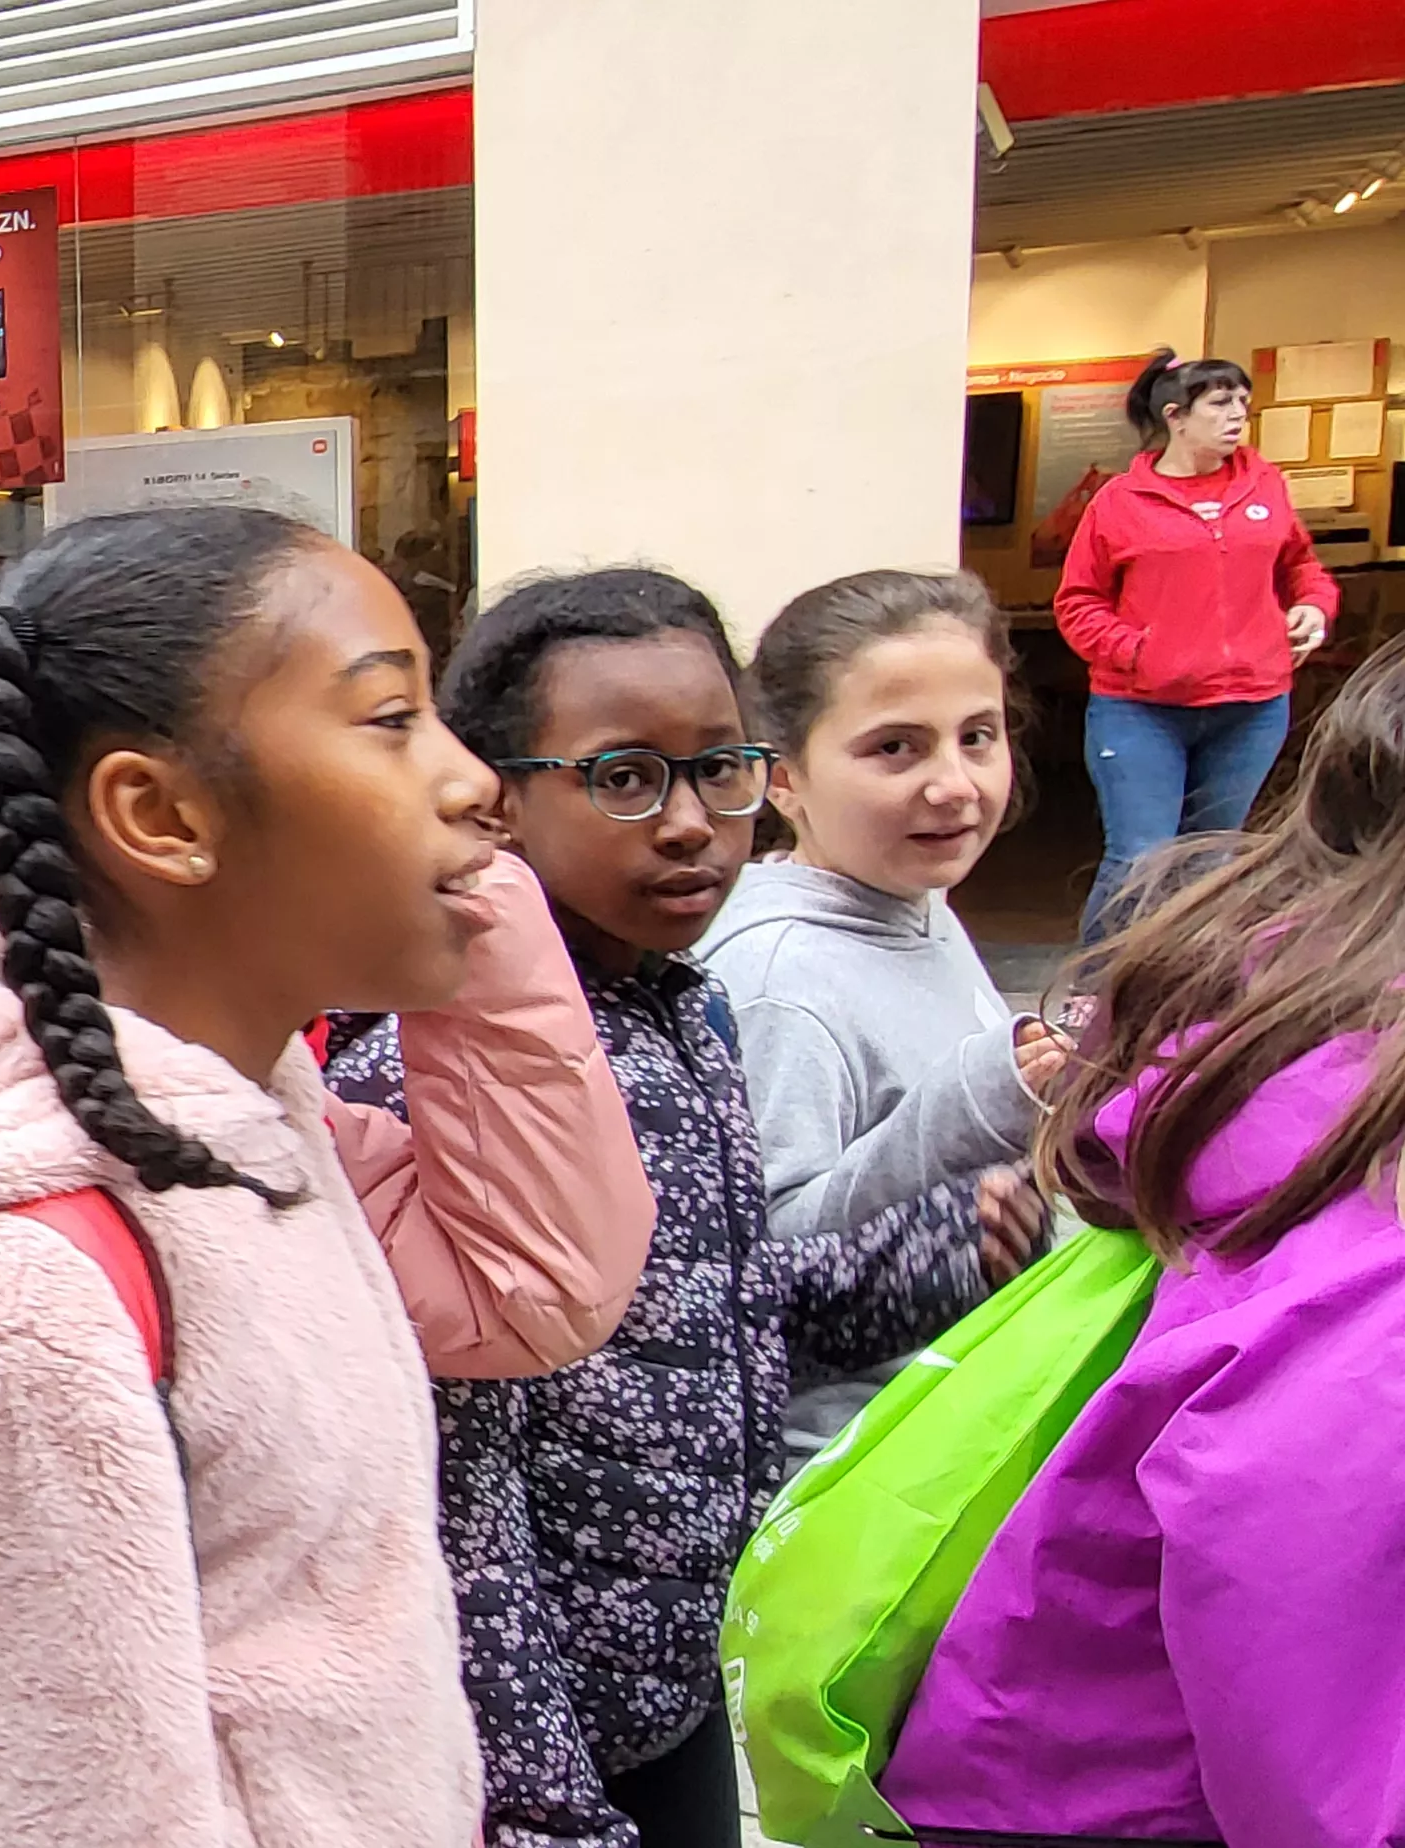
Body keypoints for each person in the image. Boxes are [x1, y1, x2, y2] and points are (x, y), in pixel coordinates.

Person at [0, 506, 658, 1847]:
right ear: (160, 816)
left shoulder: (251, 1127)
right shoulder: (23, 1311)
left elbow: (534, 1271)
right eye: (391, 721)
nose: (473, 783)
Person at [327, 568, 1005, 1848]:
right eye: (624, 778)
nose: (690, 824)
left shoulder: (681, 1013)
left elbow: (712, 1318)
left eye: (718, 770)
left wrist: (950, 1247)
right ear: (497, 798)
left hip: (675, 1682)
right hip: (532, 1747)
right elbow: (443, 1488)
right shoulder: (443, 1071)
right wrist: (541, 1807)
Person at [880, 643, 1405, 1846]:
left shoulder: (1257, 1013)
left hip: (1059, 1750)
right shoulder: (1371, 1187)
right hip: (1166, 1791)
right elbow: (1283, 1544)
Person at [700, 570, 1065, 1468]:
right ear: (783, 777)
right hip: (860, 1472)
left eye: (977, 737)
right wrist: (976, 1103)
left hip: (957, 1419)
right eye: (896, 748)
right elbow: (771, 1264)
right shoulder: (778, 981)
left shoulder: (914, 902)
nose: (954, 785)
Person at [1055, 347, 1339, 941]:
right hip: (1141, 710)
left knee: (1210, 859)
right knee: (1141, 858)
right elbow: (1078, 602)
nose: (1238, 415)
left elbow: (1301, 567)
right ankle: (1096, 983)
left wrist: (1314, 605)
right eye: (1221, 403)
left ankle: (1185, 981)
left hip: (1251, 706)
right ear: (1176, 416)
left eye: (1243, 403)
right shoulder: (1119, 503)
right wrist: (1138, 653)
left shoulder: (1266, 486)